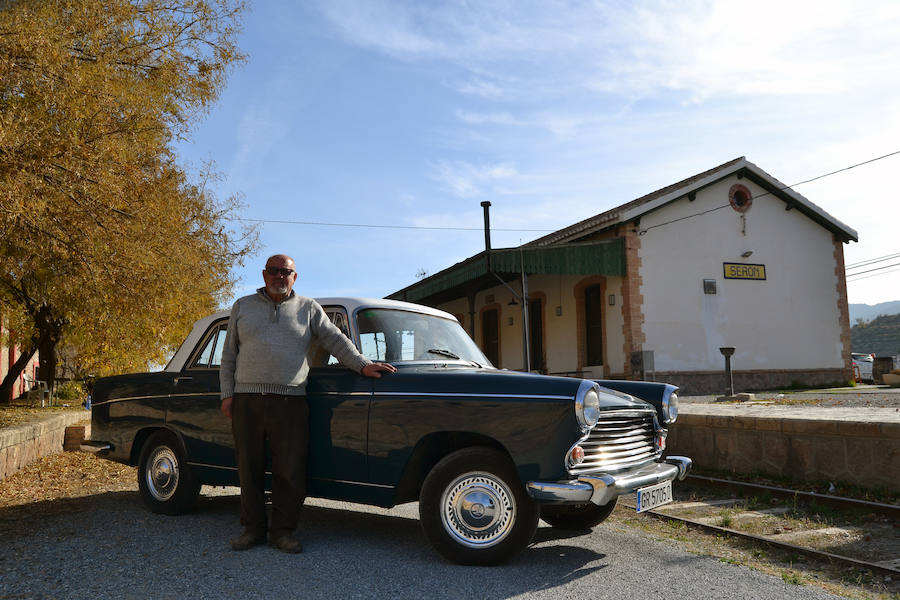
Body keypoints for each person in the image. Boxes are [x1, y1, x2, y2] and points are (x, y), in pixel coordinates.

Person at [219, 254, 396, 553]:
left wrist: (362, 364)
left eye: (285, 271)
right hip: (247, 400)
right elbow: (228, 356)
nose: (279, 276)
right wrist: (227, 394)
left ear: (294, 277)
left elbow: (334, 339)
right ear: (264, 275)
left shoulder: (309, 308)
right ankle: (252, 530)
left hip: (290, 400)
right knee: (248, 468)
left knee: (290, 470)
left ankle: (283, 533)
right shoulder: (242, 306)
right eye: (274, 271)